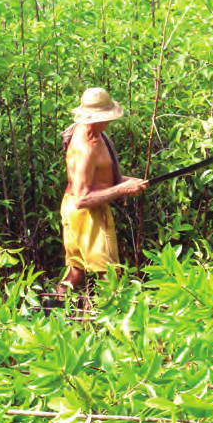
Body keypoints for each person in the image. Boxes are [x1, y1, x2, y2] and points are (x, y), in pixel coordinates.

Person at [58, 88, 147, 296]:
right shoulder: (88, 147)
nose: (110, 121)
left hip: (71, 207)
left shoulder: (86, 131)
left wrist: (128, 182)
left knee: (76, 272)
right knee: (110, 275)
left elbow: (97, 178)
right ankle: (114, 323)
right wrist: (122, 189)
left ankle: (52, 312)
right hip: (88, 215)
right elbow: (82, 199)